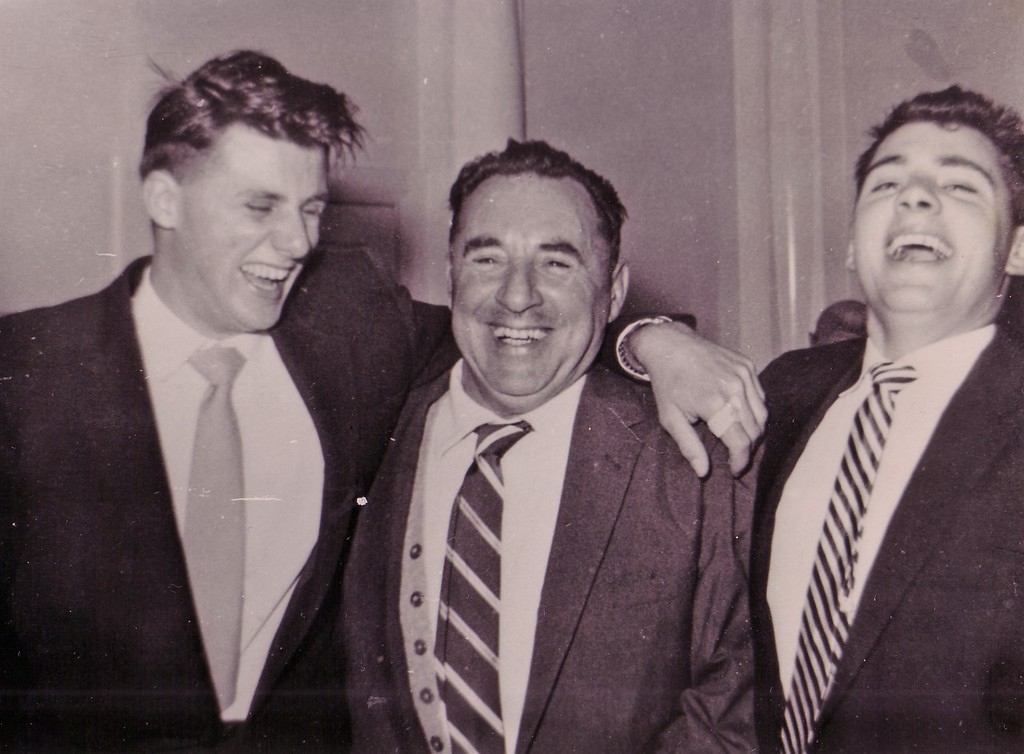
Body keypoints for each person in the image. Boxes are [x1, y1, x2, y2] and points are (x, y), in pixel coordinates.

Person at [0, 51, 763, 750]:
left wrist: (654, 340)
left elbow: (511, 333)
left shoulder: (351, 326)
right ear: (164, 197)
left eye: (311, 209)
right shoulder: (26, 375)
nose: (297, 242)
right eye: (259, 206)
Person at [341, 140, 756, 753]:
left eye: (557, 264)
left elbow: (734, 711)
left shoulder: (695, 461)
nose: (517, 295)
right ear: (450, 274)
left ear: (613, 294)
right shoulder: (372, 424)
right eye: (487, 259)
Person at [750, 86, 1024, 752]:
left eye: (960, 186)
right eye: (887, 183)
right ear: (850, 245)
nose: (916, 198)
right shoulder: (784, 390)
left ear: (1018, 250)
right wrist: (644, 339)